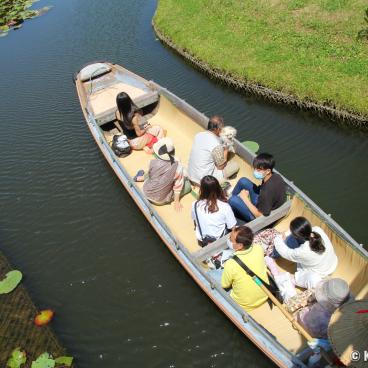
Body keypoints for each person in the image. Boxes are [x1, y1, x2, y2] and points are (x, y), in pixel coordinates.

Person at [274, 217, 338, 289]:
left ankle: (294, 280)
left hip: (321, 274)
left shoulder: (302, 252)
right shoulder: (317, 230)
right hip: (332, 265)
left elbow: (285, 252)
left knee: (291, 241)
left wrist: (278, 238)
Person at [221, 226, 269, 312]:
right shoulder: (258, 248)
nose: (229, 240)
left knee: (215, 274)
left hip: (244, 305)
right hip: (265, 294)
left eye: (231, 239)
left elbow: (225, 285)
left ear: (239, 246)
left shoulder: (231, 263)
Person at [137, 138, 191, 212]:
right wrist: (176, 202)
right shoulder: (178, 167)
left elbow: (150, 175)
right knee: (188, 185)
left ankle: (141, 178)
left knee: (153, 173)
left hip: (145, 190)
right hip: (160, 200)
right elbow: (178, 186)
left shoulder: (152, 162)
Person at [228, 153, 286, 222]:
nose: (255, 171)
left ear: (268, 171)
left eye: (258, 170)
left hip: (259, 216)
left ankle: (228, 207)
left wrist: (245, 198)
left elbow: (259, 216)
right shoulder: (275, 176)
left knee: (233, 200)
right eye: (255, 168)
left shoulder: (266, 192)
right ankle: (227, 203)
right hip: (263, 202)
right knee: (243, 181)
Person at [187, 115, 239, 185]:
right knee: (235, 166)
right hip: (203, 182)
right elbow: (221, 167)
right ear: (217, 129)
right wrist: (226, 148)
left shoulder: (198, 135)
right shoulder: (216, 145)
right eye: (221, 129)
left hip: (191, 175)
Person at [191, 175, 236, 247]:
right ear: (218, 188)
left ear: (201, 189)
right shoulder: (225, 207)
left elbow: (195, 221)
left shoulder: (195, 204)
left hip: (202, 240)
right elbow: (233, 228)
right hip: (218, 241)